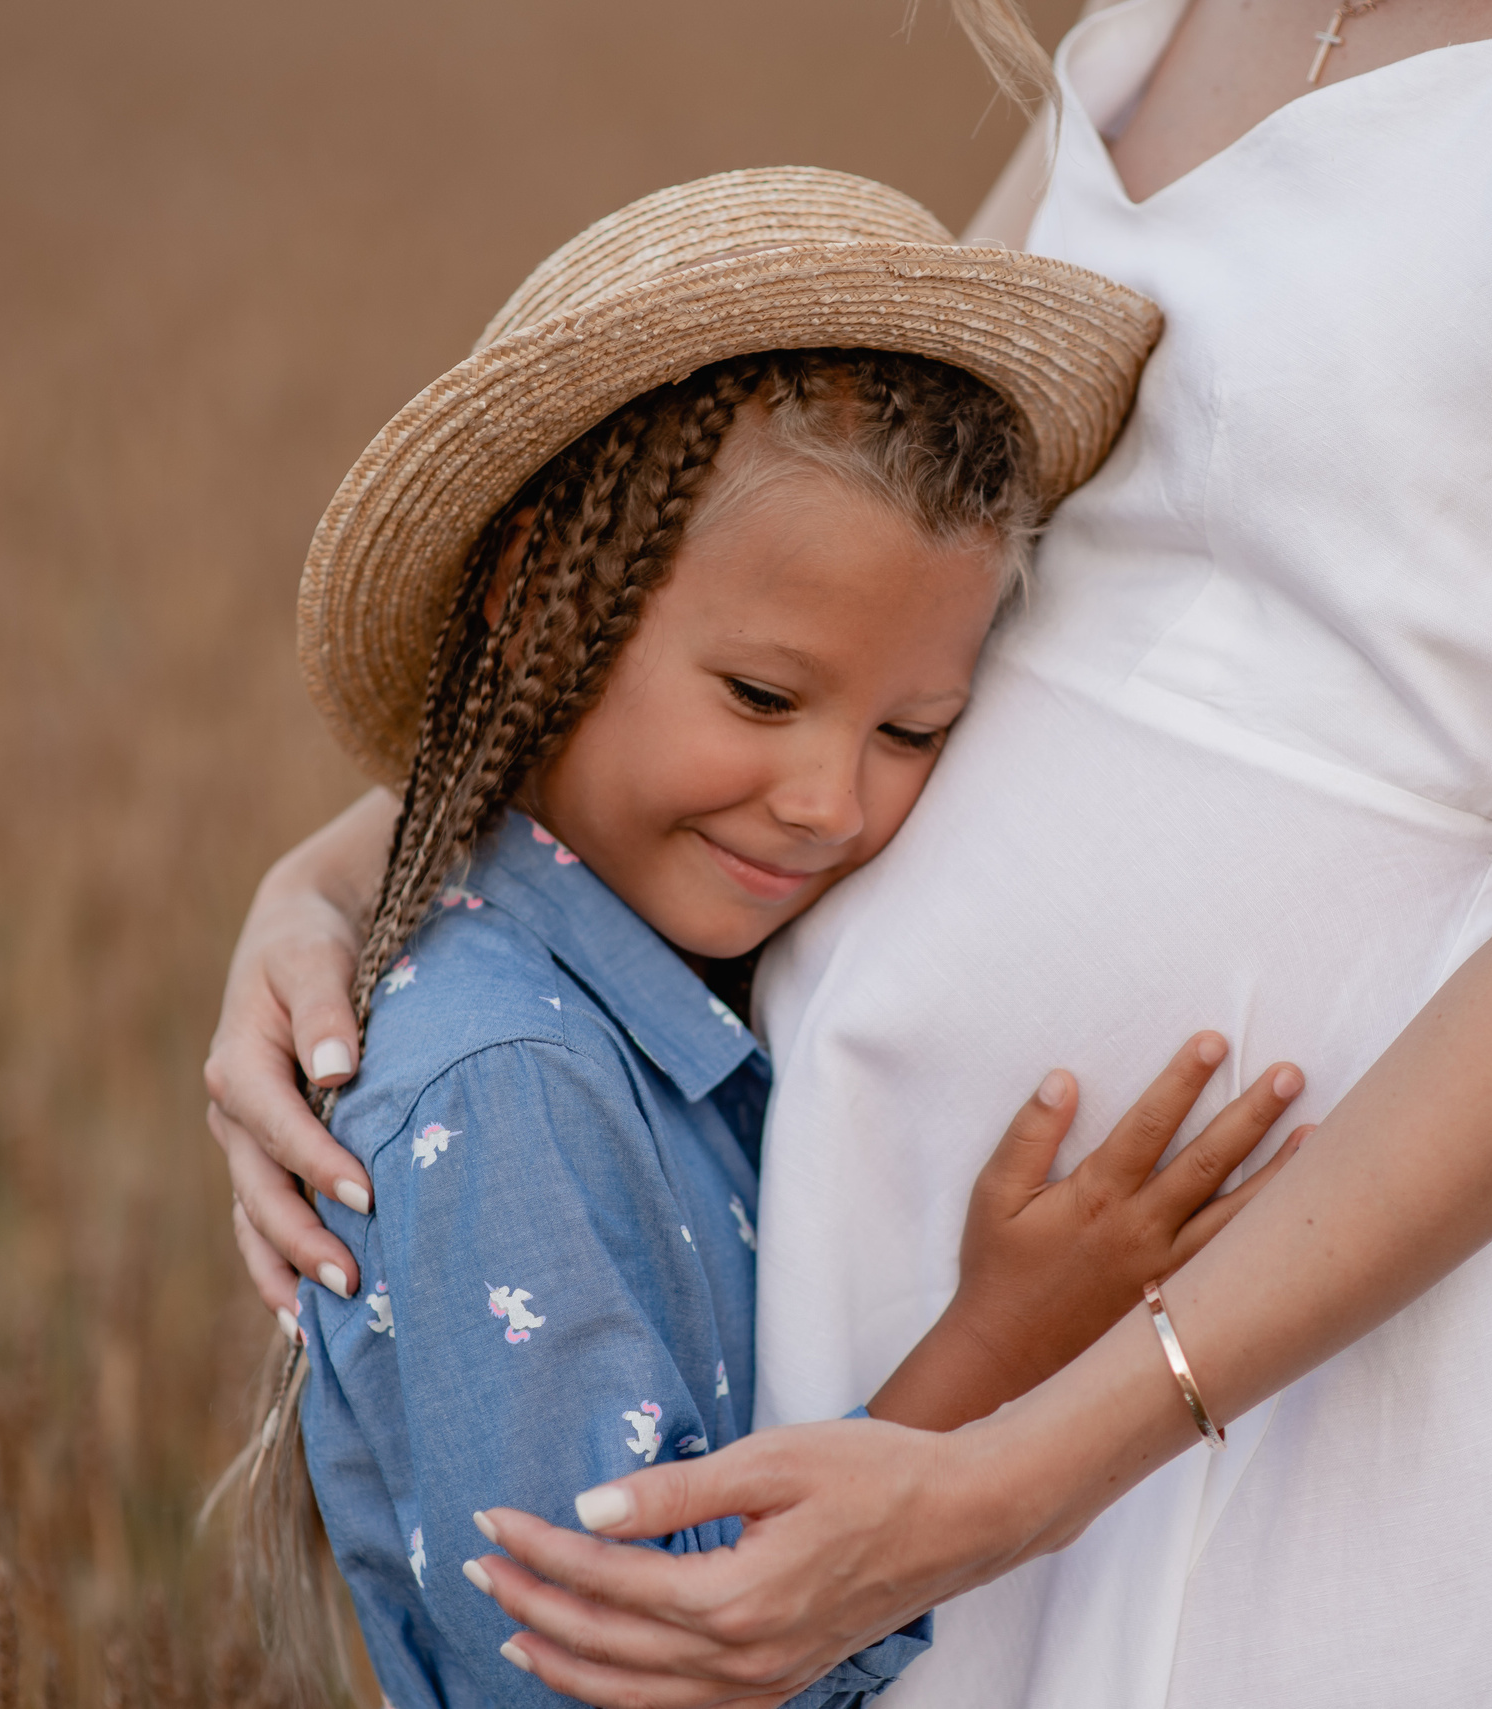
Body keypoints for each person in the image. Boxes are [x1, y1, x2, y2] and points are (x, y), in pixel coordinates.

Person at [207, 0, 1492, 1696]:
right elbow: (821, 501)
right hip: (932, 1350)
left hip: (1369, 1376)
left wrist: (1011, 1471)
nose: (828, 792)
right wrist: (343, 880)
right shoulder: (1162, 12)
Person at [239, 171, 1316, 1708]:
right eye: (761, 696)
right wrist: (1001, 1344)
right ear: (537, 593)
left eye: (911, 730)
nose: (830, 801)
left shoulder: (658, 990)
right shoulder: (504, 1083)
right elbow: (639, 1663)